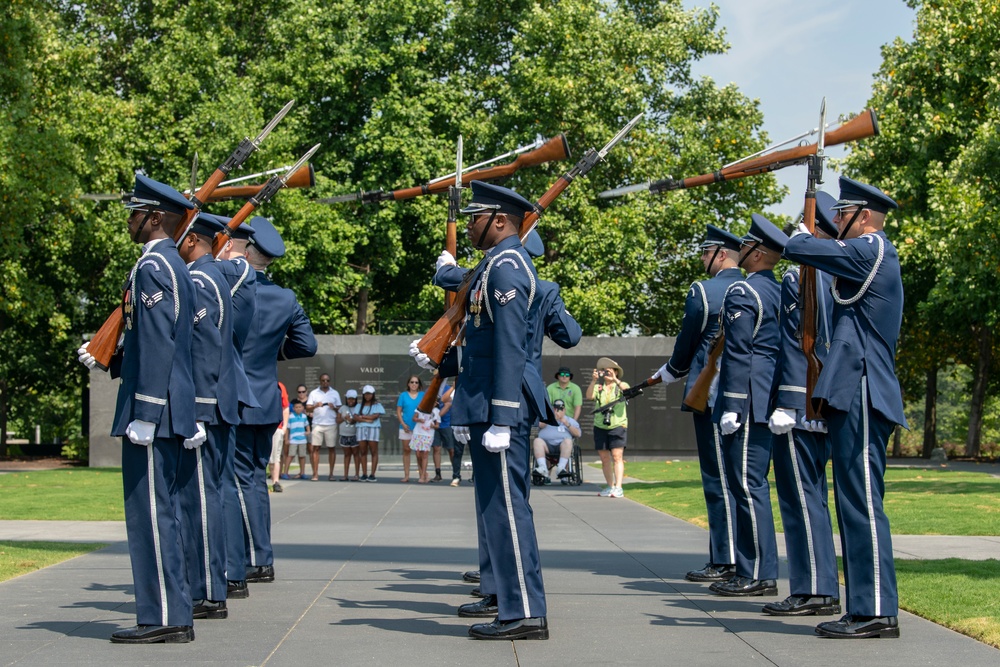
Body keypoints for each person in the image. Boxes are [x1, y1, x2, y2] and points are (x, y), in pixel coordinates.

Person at [425, 180, 551, 640]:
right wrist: (444, 359)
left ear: (499, 220)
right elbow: (481, 348)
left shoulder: (507, 269)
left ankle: (524, 613)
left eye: (475, 217)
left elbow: (510, 347)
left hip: (502, 410)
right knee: (497, 509)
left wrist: (501, 416)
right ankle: (514, 606)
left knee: (507, 511)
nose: (471, 225)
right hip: (486, 404)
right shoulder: (495, 266)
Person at [783, 176, 905, 639]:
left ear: (864, 216)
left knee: (863, 505)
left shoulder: (872, 248)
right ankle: (863, 606)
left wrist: (801, 230)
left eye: (842, 215)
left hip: (865, 388)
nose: (835, 222)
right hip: (851, 389)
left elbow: (803, 250)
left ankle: (876, 609)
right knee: (851, 502)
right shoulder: (861, 254)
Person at [90, 174, 199, 643]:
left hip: (155, 410)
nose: (130, 221)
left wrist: (147, 413)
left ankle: (163, 619)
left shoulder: (154, 267)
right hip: (169, 406)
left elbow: (158, 343)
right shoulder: (170, 264)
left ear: (154, 218)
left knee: (151, 515)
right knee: (166, 511)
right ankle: (173, 614)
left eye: (135, 213)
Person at [762, 192, 841, 618]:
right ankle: (820, 585)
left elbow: (797, 341)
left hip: (801, 408)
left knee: (800, 498)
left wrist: (790, 401)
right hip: (833, 401)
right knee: (816, 499)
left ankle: (814, 588)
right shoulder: (841, 275)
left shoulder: (801, 277)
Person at [652, 224, 743, 584]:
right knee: (740, 477)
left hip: (713, 394)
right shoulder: (757, 287)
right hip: (748, 396)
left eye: (705, 253)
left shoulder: (704, 292)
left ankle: (726, 558)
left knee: (716, 478)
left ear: (720, 254)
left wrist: (672, 370)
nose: (703, 259)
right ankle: (740, 555)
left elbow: (688, 340)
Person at [235, 216, 317, 586]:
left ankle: (243, 560)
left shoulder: (230, 289)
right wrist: (270, 354)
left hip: (233, 399)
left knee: (233, 482)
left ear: (247, 250)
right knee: (253, 479)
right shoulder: (285, 297)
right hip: (266, 399)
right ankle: (261, 556)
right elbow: (306, 345)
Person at [709, 213, 786, 598]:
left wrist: (732, 405)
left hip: (748, 398)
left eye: (744, 245)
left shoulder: (743, 292)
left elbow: (740, 353)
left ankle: (755, 571)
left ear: (755, 253)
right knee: (751, 484)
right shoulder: (779, 290)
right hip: (770, 396)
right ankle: (752, 567)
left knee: (745, 484)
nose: (739, 250)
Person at [175, 211, 243, 622]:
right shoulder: (214, 275)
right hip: (219, 403)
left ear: (191, 241)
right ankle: (211, 585)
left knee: (201, 500)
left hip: (207, 405)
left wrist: (197, 410)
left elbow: (203, 348)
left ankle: (207, 591)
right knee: (210, 496)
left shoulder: (200, 280)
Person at [212, 217, 260, 601]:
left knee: (222, 484)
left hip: (219, 388)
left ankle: (229, 569)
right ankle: (225, 569)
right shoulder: (227, 274)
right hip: (225, 388)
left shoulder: (239, 270)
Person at [587, 357, 630, 498]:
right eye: (605, 371)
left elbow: (628, 391)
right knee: (604, 458)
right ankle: (610, 486)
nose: (607, 374)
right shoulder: (599, 387)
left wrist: (615, 380)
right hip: (600, 424)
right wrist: (593, 380)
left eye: (610, 371)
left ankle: (619, 487)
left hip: (617, 424)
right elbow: (589, 396)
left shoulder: (621, 384)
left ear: (616, 372)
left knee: (617, 456)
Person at [532, 399, 581, 483]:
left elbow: (578, 434)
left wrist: (566, 424)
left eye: (560, 409)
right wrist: (550, 419)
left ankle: (561, 468)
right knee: (537, 441)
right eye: (555, 409)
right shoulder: (546, 418)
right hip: (546, 446)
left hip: (562, 447)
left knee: (568, 441)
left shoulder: (570, 420)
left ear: (564, 410)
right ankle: (543, 467)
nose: (557, 411)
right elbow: (539, 425)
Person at [306, 373, 341, 481]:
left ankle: (331, 474)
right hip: (317, 424)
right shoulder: (314, 393)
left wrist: (334, 407)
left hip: (331, 424)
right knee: (315, 448)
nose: (325, 382)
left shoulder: (335, 393)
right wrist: (316, 405)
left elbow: (340, 408)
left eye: (327, 380)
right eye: (323, 380)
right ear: (320, 381)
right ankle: (315, 473)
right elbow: (308, 408)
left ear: (329, 382)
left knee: (331, 448)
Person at [396, 376, 424, 483]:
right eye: (412, 382)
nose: (414, 384)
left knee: (419, 453)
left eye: (416, 382)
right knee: (407, 450)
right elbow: (398, 411)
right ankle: (406, 475)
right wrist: (403, 424)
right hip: (405, 427)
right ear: (408, 384)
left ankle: (422, 474)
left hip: (419, 427)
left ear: (419, 384)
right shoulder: (403, 395)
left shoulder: (422, 395)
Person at [354, 385, 385, 481]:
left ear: (373, 394)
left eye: (370, 394)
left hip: (373, 429)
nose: (368, 396)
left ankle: (372, 474)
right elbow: (355, 417)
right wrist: (367, 419)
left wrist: (362, 417)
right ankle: (364, 473)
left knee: (373, 451)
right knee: (363, 451)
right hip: (361, 429)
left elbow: (374, 417)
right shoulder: (359, 405)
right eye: (366, 394)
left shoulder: (377, 405)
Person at [283, 384, 310, 479]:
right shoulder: (290, 416)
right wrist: (286, 439)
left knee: (302, 456)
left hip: (302, 439)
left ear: (303, 408)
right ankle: (285, 472)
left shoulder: (304, 416)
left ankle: (302, 472)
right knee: (290, 455)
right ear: (293, 408)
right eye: (296, 407)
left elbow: (307, 425)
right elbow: (287, 428)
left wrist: (308, 431)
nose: (298, 409)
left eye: (300, 407)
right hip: (293, 439)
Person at [410, 406, 440, 483]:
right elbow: (414, 418)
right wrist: (419, 419)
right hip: (418, 432)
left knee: (425, 454)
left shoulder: (436, 411)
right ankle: (424, 473)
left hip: (428, 434)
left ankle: (422, 475)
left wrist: (433, 426)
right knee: (418, 454)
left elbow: (437, 425)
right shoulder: (420, 408)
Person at [269, 381, 289, 492]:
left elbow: (285, 407)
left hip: (276, 427)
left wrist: (284, 427)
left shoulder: (279, 386)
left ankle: (275, 481)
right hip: (260, 426)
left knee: (275, 456)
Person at [337, 389, 360, 481]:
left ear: (356, 399)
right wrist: (344, 418)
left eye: (353, 399)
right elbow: (337, 420)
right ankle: (345, 475)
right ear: (346, 399)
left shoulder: (358, 407)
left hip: (355, 434)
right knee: (347, 455)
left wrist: (353, 419)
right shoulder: (342, 408)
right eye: (349, 399)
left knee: (356, 454)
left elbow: (359, 418)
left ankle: (356, 474)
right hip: (344, 435)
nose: (351, 401)